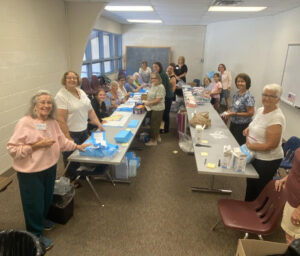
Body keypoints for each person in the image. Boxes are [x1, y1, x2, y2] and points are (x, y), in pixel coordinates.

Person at [7, 90, 89, 251]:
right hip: (30, 172)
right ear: (35, 106)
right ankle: (35, 234)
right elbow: (12, 149)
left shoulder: (52, 122)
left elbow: (61, 141)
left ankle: (41, 220)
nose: (46, 105)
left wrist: (77, 146)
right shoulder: (25, 122)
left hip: (50, 167)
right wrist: (36, 146)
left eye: (49, 102)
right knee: (33, 204)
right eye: (42, 102)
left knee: (45, 199)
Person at [55, 71, 104, 183]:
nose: (72, 80)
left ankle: (81, 175)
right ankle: (71, 181)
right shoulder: (61, 96)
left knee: (83, 154)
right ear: (64, 80)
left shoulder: (80, 91)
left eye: (74, 78)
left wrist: (99, 124)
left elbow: (90, 110)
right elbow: (60, 119)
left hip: (83, 130)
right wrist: (67, 137)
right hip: (70, 132)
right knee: (71, 158)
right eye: (69, 78)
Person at [243, 83, 286, 201]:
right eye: (265, 94)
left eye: (271, 96)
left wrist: (251, 146)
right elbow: (254, 124)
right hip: (254, 154)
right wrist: (248, 129)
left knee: (260, 188)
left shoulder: (276, 118)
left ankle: (259, 214)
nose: (266, 98)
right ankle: (248, 208)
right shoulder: (261, 109)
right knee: (251, 182)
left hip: (267, 160)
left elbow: (270, 145)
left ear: (277, 99)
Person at [275, 148, 300, 244]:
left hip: (297, 203)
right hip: (292, 197)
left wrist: (299, 209)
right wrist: (285, 178)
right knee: (289, 235)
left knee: (293, 239)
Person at [224, 73, 255, 145]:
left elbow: (250, 113)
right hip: (233, 123)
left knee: (239, 145)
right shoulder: (237, 93)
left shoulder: (248, 96)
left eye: (242, 81)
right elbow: (233, 106)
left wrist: (235, 114)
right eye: (238, 81)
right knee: (231, 142)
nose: (240, 83)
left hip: (243, 126)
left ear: (247, 83)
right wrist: (229, 111)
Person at [144, 73, 166, 146]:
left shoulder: (160, 87)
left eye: (154, 78)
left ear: (158, 79)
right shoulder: (153, 85)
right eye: (152, 78)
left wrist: (149, 102)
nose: (153, 80)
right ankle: (157, 136)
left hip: (158, 108)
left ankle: (153, 141)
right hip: (152, 107)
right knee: (156, 124)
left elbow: (158, 99)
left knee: (154, 125)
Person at [153, 62, 174, 133]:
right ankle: (163, 128)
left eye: (156, 67)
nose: (154, 68)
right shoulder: (160, 73)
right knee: (165, 113)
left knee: (165, 113)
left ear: (160, 67)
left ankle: (166, 129)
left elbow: (162, 87)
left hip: (167, 96)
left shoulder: (161, 74)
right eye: (154, 67)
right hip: (166, 95)